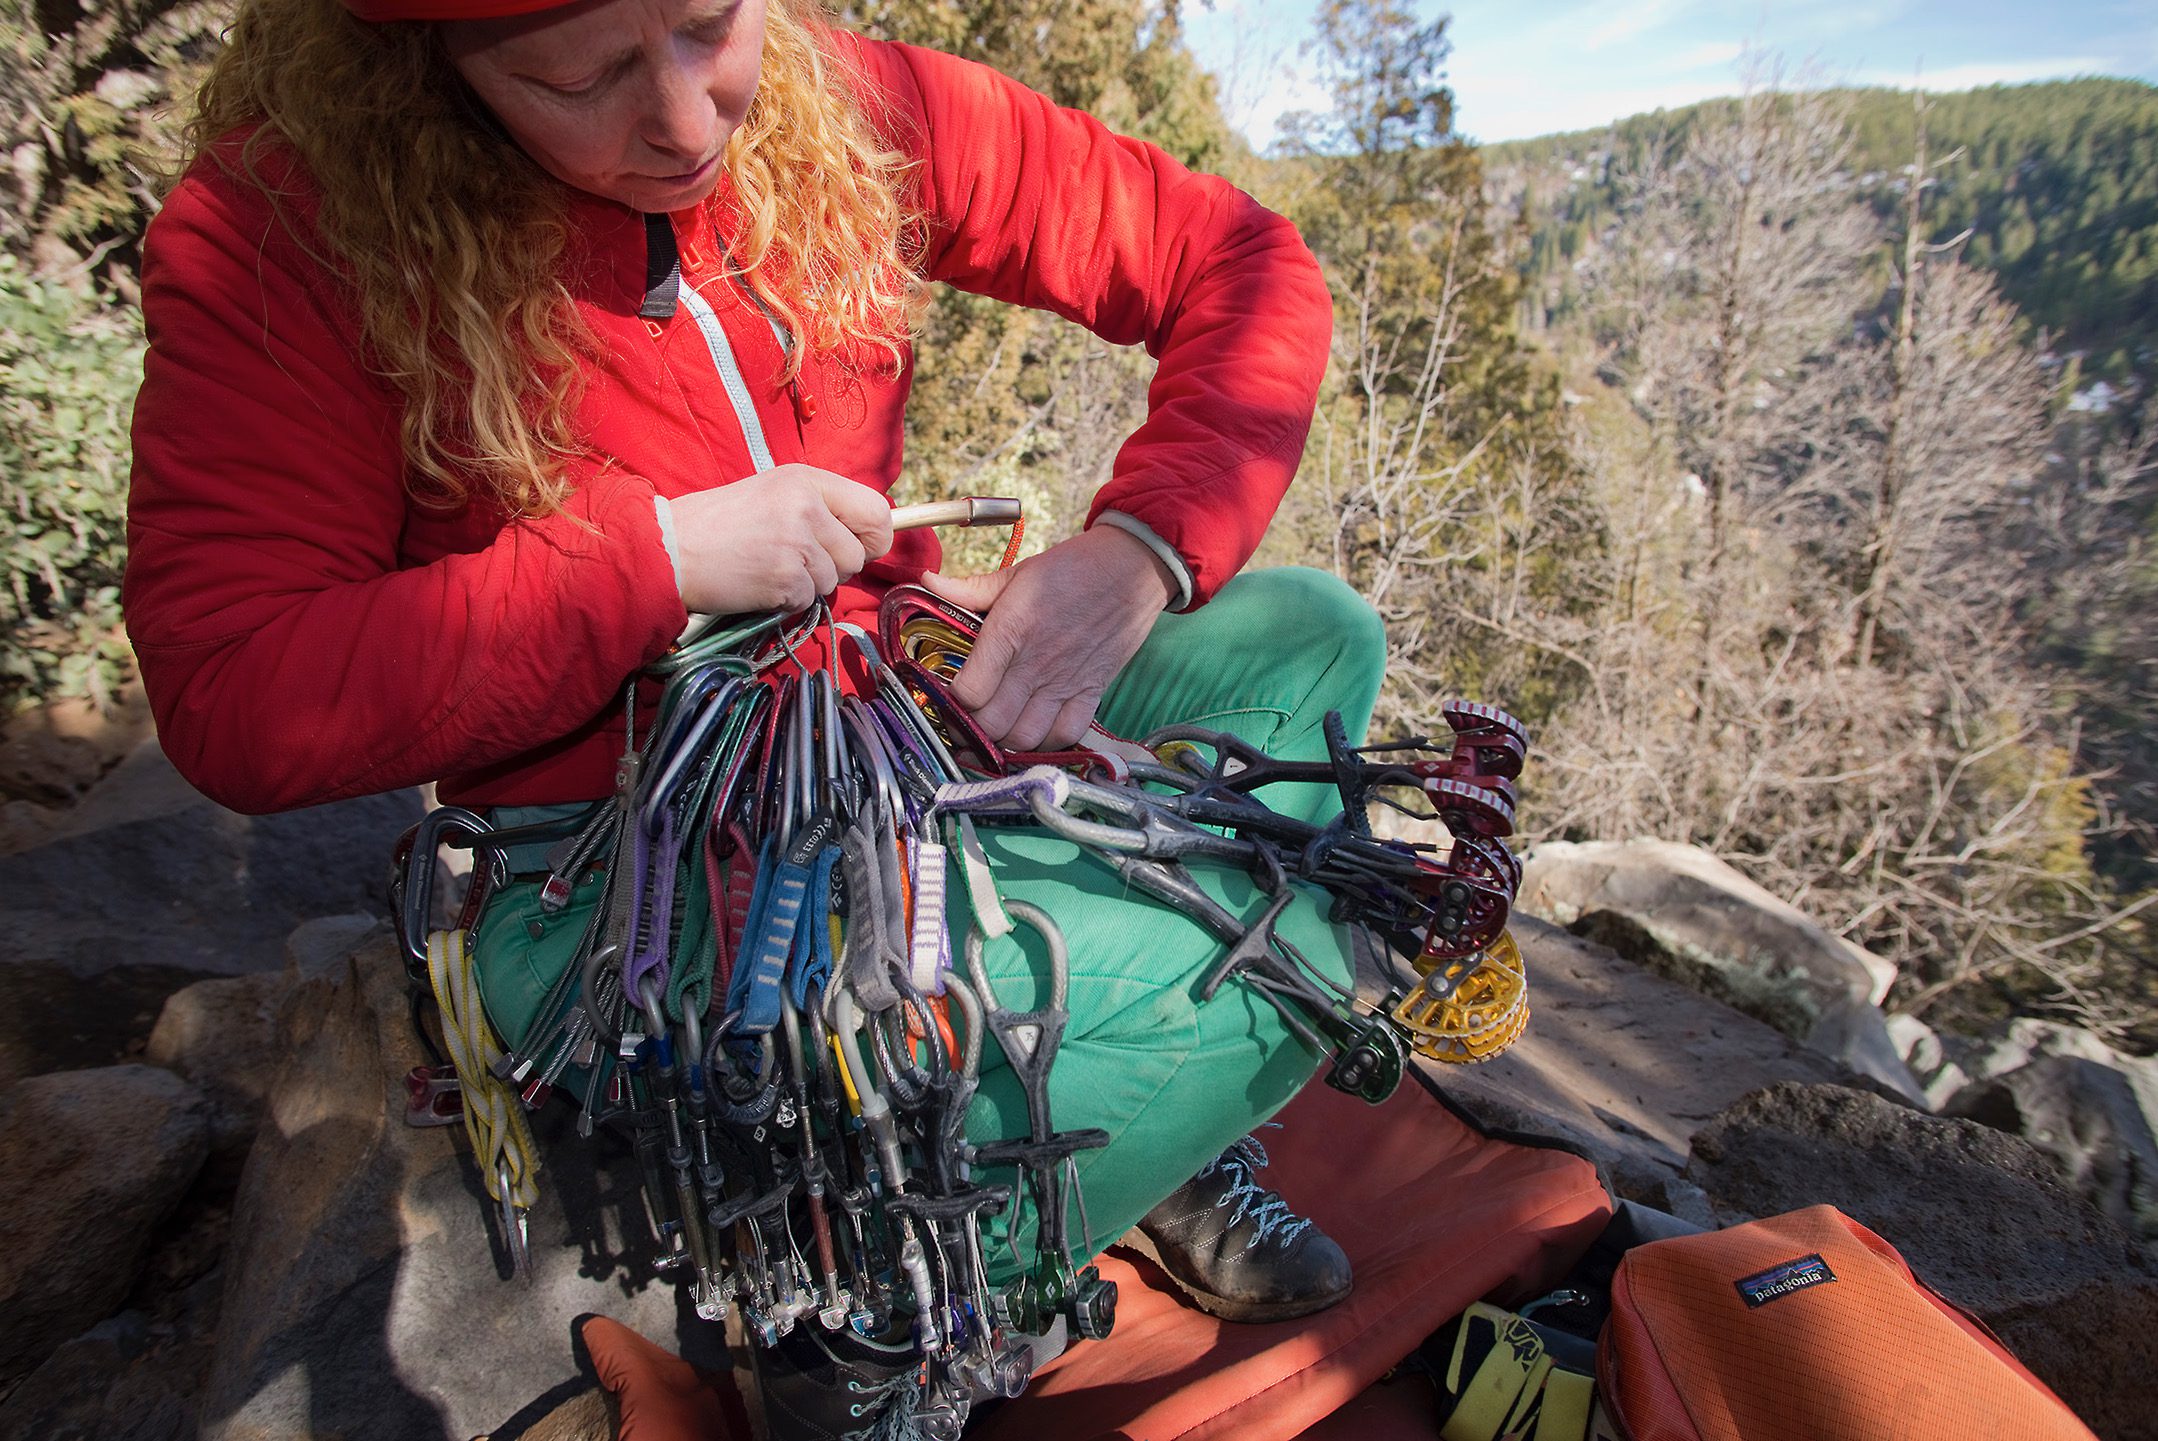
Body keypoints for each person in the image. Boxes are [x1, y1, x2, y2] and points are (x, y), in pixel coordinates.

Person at [125, 0, 1388, 1430]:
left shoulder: (839, 98)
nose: (684, 120)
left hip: (904, 719)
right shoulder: (293, 228)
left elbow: (1238, 259)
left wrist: (1139, 554)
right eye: (582, 76)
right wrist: (652, 566)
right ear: (419, 60)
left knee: (1310, 648)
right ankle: (886, 1326)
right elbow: (232, 688)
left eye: (705, 24)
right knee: (1295, 953)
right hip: (635, 854)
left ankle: (1130, 1138)